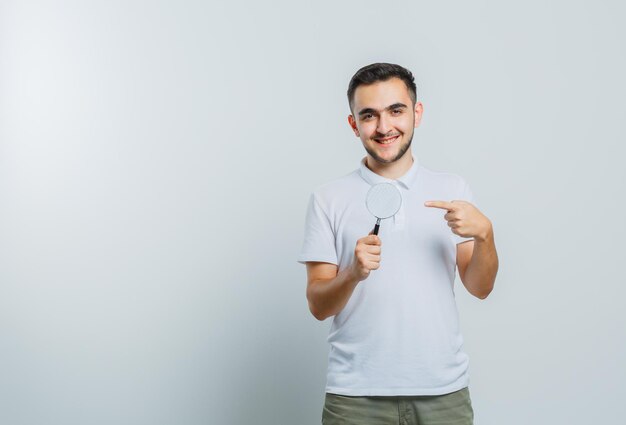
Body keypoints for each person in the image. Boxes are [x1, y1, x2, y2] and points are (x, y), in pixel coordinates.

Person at [297, 63, 499, 425]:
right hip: (355, 397)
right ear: (353, 124)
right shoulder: (328, 198)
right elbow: (318, 305)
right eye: (369, 115)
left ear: (416, 114)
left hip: (444, 392)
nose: (384, 126)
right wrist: (353, 274)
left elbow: (480, 288)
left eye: (396, 110)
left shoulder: (453, 190)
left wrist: (485, 234)